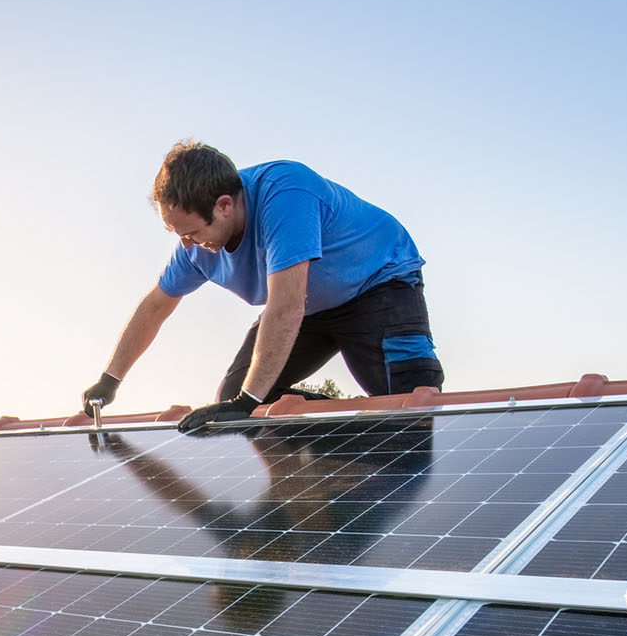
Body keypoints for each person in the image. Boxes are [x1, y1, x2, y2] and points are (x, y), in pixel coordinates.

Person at [82, 142, 443, 433]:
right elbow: (155, 306)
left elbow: (286, 306)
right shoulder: (194, 249)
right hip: (309, 309)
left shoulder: (285, 194)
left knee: (409, 406)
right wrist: (109, 380)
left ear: (224, 205)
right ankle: (339, 453)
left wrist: (247, 402)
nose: (187, 245)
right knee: (234, 401)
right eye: (178, 235)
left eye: (192, 233)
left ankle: (382, 426)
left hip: (376, 285)